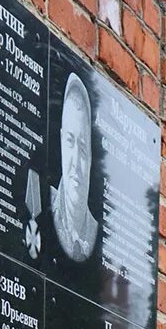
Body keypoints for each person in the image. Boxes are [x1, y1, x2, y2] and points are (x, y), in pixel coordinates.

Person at [51, 73, 98, 262]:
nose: (77, 163)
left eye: (84, 149)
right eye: (70, 142)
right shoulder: (45, 206)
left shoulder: (96, 230)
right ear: (61, 142)